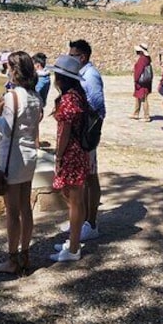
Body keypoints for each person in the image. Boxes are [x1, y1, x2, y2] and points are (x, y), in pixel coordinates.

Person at [0, 51, 43, 274]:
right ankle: (25, 253)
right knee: (25, 207)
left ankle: (12, 258)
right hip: (29, 154)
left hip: (13, 156)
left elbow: (6, 127)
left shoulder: (13, 96)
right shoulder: (35, 96)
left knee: (12, 211)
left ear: (14, 70)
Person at [47, 55, 90, 262]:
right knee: (76, 200)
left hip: (71, 153)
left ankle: (73, 247)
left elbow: (64, 130)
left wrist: (58, 155)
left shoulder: (68, 99)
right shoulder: (78, 95)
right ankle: (73, 240)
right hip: (79, 151)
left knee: (74, 201)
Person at [68, 39, 105, 242]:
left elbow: (98, 106)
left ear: (82, 57)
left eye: (72, 55)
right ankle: (81, 220)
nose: (70, 58)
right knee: (83, 177)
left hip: (87, 133)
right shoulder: (81, 74)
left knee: (91, 177)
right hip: (81, 131)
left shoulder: (91, 76)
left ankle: (91, 223)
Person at [130, 44, 152, 121]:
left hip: (141, 82)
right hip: (144, 81)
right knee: (138, 97)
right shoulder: (146, 59)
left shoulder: (142, 59)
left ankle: (146, 116)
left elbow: (139, 70)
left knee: (143, 98)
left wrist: (136, 80)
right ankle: (136, 113)